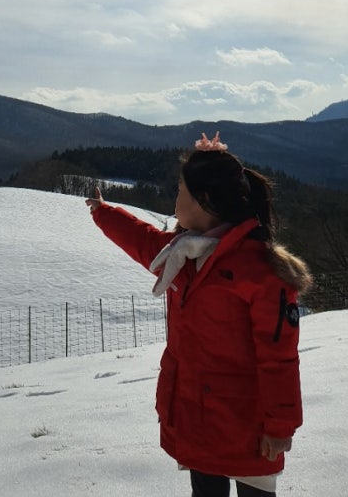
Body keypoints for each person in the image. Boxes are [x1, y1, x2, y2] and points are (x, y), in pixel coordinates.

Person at [86, 132, 311, 497]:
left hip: (246, 425)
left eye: (180, 190)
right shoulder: (181, 254)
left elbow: (279, 357)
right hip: (194, 413)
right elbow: (142, 240)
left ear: (205, 200)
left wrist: (280, 424)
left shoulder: (261, 273)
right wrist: (104, 213)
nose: (174, 199)